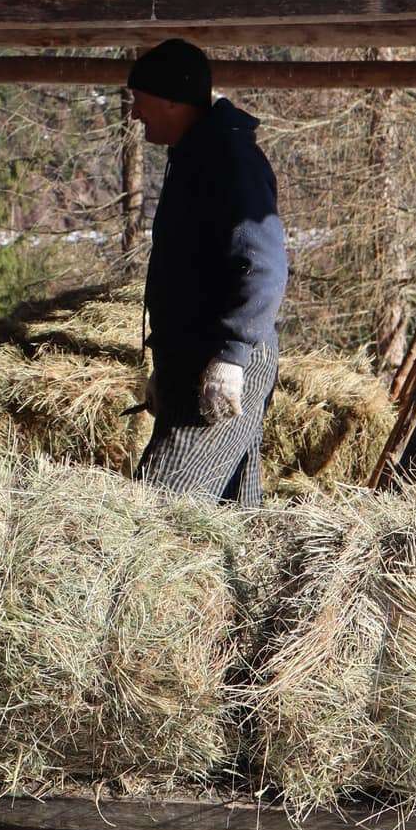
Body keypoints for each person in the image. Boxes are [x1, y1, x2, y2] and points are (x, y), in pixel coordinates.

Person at [127, 38, 288, 506]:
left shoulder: (229, 161)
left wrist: (231, 358)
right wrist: (167, 369)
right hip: (197, 363)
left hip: (221, 361)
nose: (136, 114)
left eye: (141, 101)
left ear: (173, 99)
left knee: (153, 515)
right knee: (232, 515)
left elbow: (263, 265)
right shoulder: (197, 154)